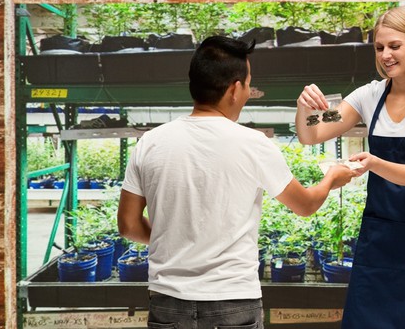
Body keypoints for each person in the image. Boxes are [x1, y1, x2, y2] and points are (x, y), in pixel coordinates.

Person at [117, 36, 357, 329]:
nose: (247, 92)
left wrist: (177, 241)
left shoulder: (150, 142)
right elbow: (305, 205)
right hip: (232, 303)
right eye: (247, 84)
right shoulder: (253, 143)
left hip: (168, 303)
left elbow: (128, 225)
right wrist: (332, 177)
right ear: (234, 88)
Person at [295, 5, 405, 328]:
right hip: (381, 239)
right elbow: (313, 132)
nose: (385, 55)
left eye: (394, 46)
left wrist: (373, 162)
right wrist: (303, 107)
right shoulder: (368, 97)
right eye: (379, 47)